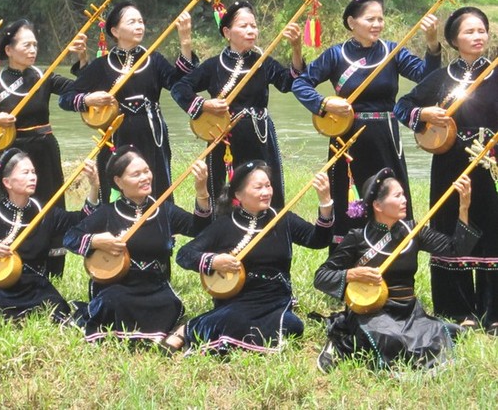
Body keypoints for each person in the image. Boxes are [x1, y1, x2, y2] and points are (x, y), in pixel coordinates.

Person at [292, 0, 441, 251]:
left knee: (391, 193)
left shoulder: (393, 51)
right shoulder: (335, 55)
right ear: (352, 22)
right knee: (348, 197)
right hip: (346, 140)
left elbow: (428, 80)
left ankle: (395, 261)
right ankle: (348, 263)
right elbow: (300, 82)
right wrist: (325, 104)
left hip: (386, 137)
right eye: (370, 18)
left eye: (380, 19)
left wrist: (432, 46)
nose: (376, 24)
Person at [314, 168, 479, 372]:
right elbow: (321, 276)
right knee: (388, 338)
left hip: (408, 311)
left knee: (441, 333)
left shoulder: (413, 231)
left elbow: (455, 249)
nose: (405, 200)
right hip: (373, 312)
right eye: (397, 195)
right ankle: (340, 344)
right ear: (377, 205)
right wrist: (351, 274)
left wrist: (464, 207)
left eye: (403, 194)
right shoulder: (357, 237)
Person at [395, 7, 498, 332]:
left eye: (481, 30)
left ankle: (493, 313)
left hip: (488, 163)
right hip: (449, 163)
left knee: (491, 228)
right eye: (470, 32)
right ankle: (457, 310)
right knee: (449, 225)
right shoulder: (440, 78)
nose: (478, 36)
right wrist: (424, 113)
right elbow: (402, 106)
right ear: (454, 40)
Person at [0, 20, 89, 277]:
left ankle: (53, 269)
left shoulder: (44, 75)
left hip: (45, 151)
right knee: (11, 205)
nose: (33, 49)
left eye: (35, 45)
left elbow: (82, 89)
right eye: (26, 44)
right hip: (11, 154)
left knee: (50, 206)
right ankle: (7, 262)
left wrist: (83, 57)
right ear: (8, 50)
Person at [164, 161, 333, 354]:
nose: (266, 192)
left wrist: (325, 203)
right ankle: (188, 330)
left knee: (293, 326)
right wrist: (214, 261)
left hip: (275, 300)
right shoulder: (225, 224)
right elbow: (184, 255)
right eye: (258, 187)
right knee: (237, 319)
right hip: (237, 300)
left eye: (268, 185)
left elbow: (318, 240)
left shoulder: (283, 219)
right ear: (239, 195)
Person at [63, 145, 211, 343]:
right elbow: (70, 237)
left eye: (146, 171)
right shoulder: (108, 213)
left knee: (170, 304)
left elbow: (200, 229)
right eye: (136, 174)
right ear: (119, 181)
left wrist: (202, 192)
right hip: (118, 286)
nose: (145, 177)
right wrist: (96, 240)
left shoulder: (164, 210)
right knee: (113, 302)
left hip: (155, 286)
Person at [59, 1, 198, 203]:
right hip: (116, 137)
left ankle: (160, 231)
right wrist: (88, 99)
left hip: (152, 135)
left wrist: (185, 43)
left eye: (141, 21)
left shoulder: (154, 60)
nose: (139, 26)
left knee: (156, 187)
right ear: (115, 31)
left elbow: (181, 85)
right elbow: (65, 98)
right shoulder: (102, 65)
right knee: (115, 190)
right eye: (132, 21)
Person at [171, 0, 304, 208]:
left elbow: (290, 83)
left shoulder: (264, 63)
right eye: (243, 26)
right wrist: (205, 105)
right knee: (222, 194)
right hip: (223, 138)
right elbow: (179, 89)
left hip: (260, 138)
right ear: (227, 32)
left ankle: (268, 234)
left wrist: (297, 48)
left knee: (265, 191)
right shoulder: (213, 66)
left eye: (253, 26)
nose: (251, 31)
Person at [0, 148, 100, 328]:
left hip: (35, 286)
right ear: (7, 182)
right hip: (0, 287)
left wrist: (94, 186)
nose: (32, 177)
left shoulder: (46, 214)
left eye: (33, 172)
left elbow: (84, 220)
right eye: (25, 173)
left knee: (56, 308)